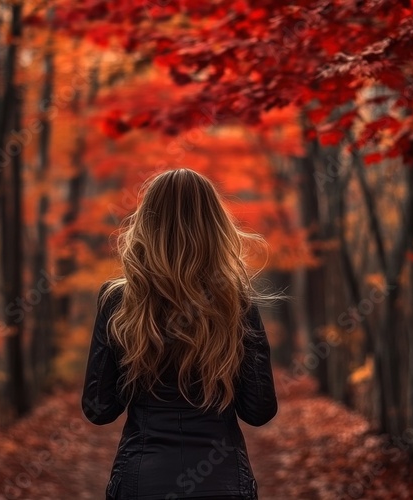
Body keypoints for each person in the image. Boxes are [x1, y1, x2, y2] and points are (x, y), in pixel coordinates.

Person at [82, 168, 278, 500]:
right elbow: (258, 411)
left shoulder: (118, 300)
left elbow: (99, 408)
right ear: (215, 227)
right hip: (223, 482)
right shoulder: (236, 302)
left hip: (142, 481)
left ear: (146, 224)